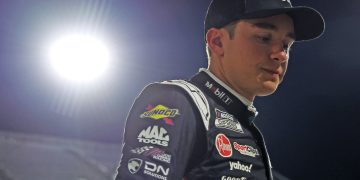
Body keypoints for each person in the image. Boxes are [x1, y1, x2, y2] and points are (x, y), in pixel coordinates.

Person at [115, 0, 324, 179]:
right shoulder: (177, 101)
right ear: (217, 42)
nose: (281, 55)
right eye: (264, 37)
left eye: (286, 45)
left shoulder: (245, 127)